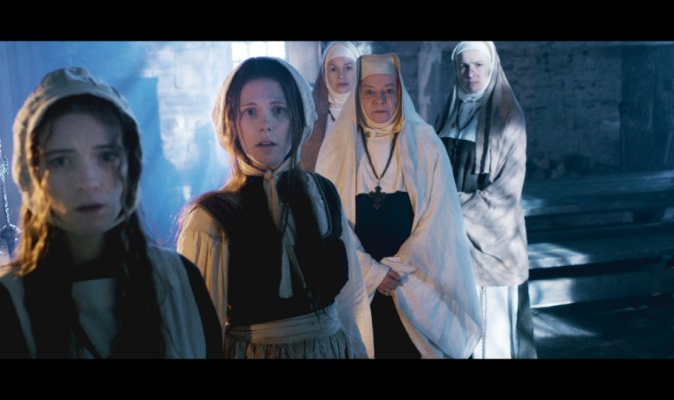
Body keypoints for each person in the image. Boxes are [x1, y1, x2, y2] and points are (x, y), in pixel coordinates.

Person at [0, 67, 222, 359]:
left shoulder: (182, 281)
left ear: (130, 166)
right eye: (62, 161)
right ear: (33, 176)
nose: (88, 181)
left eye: (106, 156)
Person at [176, 57, 373, 359]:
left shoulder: (323, 195)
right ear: (232, 123)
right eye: (250, 112)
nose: (265, 125)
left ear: (298, 118)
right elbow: (196, 334)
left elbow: (350, 302)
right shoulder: (212, 219)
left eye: (278, 110)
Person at [316, 53, 481, 359]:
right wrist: (371, 272)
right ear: (358, 96)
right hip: (359, 283)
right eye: (370, 92)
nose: (380, 100)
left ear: (400, 93)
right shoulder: (337, 146)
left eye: (388, 91)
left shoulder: (425, 143)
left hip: (412, 281)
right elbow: (327, 220)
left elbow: (440, 218)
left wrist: (398, 268)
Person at [433, 41, 536, 359]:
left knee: (491, 340)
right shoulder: (447, 114)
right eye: (463, 66)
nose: (470, 73)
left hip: (490, 243)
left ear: (492, 67)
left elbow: (504, 196)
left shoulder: (509, 118)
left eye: (478, 65)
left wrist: (449, 207)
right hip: (451, 242)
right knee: (456, 334)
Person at [300, 41, 360, 171]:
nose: (341, 75)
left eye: (348, 68)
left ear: (359, 71)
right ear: (325, 75)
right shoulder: (310, 118)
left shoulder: (373, 112)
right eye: (333, 69)